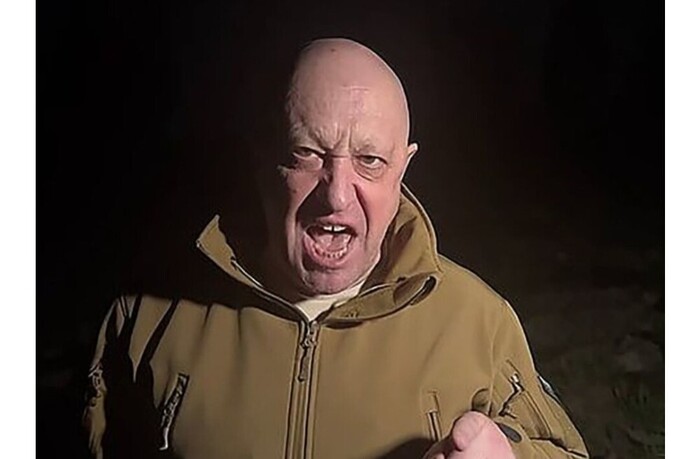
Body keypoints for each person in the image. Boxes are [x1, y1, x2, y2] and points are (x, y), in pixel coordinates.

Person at [82, 38, 589, 459]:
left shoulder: (478, 322)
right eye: (307, 153)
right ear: (263, 158)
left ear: (403, 169)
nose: (337, 195)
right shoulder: (149, 314)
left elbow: (562, 451)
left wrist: (512, 455)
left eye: (370, 160)